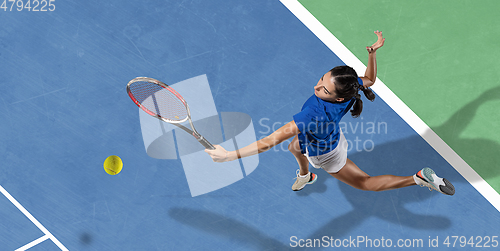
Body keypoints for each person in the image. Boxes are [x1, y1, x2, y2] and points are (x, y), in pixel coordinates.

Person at [205, 31, 455, 196]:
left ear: (338, 97)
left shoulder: (312, 114)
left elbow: (267, 143)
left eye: (323, 89)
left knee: (365, 183)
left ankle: (418, 178)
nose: (316, 87)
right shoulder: (351, 89)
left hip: (327, 154)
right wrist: (372, 53)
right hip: (330, 135)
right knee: (295, 147)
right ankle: (306, 175)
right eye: (321, 79)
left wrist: (229, 156)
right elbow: (369, 79)